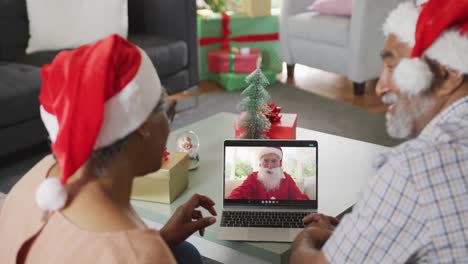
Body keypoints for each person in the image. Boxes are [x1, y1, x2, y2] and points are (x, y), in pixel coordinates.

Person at [0, 34, 217, 264]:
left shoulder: (35, 177)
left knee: (187, 253)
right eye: (168, 111)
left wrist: (160, 238)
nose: (169, 123)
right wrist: (149, 247)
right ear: (142, 125)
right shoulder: (142, 256)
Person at [290, 0, 468, 263]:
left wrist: (306, 238)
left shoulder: (414, 170)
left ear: (448, 75)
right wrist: (359, 234)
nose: (380, 88)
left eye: (393, 67)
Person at [228, 147, 309, 200]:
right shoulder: (253, 177)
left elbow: (299, 198)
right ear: (260, 164)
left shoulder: (287, 179)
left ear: (280, 164)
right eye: (265, 161)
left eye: (274, 161)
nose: (270, 166)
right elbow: (239, 193)